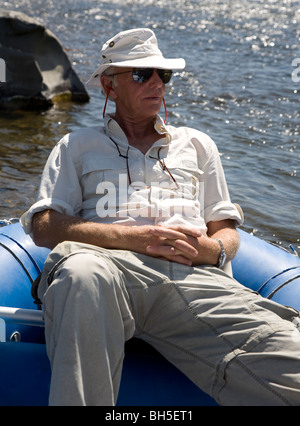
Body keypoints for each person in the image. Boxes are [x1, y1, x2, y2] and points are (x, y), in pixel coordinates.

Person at [21, 28, 300, 406]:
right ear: (109, 86)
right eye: (141, 74)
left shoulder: (199, 145)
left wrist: (212, 250)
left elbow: (226, 231)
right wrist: (132, 239)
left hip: (195, 281)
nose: (156, 83)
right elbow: (44, 226)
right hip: (107, 270)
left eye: (162, 75)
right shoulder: (75, 146)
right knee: (81, 275)